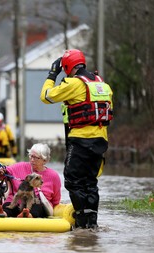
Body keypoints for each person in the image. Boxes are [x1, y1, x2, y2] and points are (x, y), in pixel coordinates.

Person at [40, 49, 113, 229]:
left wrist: (52, 75)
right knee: (90, 182)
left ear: (67, 68)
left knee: (73, 180)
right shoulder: (103, 84)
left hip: (80, 140)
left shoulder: (74, 83)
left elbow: (46, 96)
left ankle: (81, 223)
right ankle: (92, 224)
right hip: (101, 140)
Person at [0, 143, 61, 218]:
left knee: (37, 206)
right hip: (17, 201)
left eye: (36, 158)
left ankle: (27, 214)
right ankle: (2, 213)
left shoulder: (54, 176)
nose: (32, 160)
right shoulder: (20, 166)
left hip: (37, 204)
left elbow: (56, 201)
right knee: (9, 205)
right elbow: (2, 172)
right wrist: (0, 171)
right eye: (31, 156)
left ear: (45, 161)